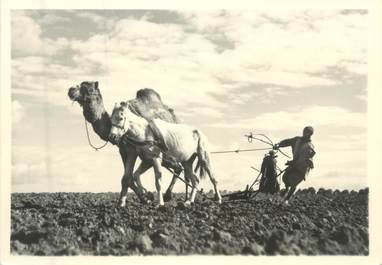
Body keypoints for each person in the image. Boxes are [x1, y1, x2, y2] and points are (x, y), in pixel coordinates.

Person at [273, 126, 316, 204]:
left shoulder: (310, 146)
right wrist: (278, 145)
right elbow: (287, 142)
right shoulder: (297, 140)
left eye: (307, 133)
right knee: (285, 177)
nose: (305, 134)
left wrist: (292, 162)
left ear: (310, 134)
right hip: (294, 163)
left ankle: (286, 199)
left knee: (294, 182)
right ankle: (286, 189)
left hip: (303, 166)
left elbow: (306, 158)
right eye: (304, 131)